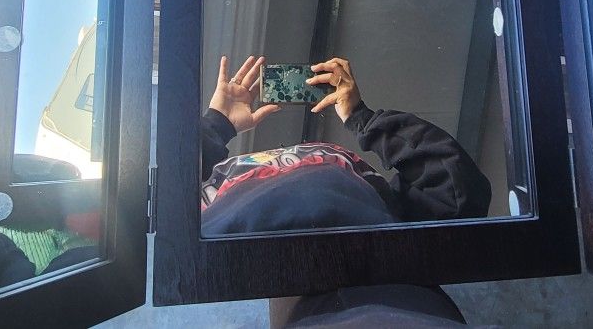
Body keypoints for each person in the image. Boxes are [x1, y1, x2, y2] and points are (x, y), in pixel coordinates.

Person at [200, 55, 492, 327]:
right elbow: (455, 186)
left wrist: (359, 116)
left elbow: (456, 186)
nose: (293, 162)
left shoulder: (389, 217)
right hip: (401, 303)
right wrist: (217, 124)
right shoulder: (209, 211)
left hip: (384, 290)